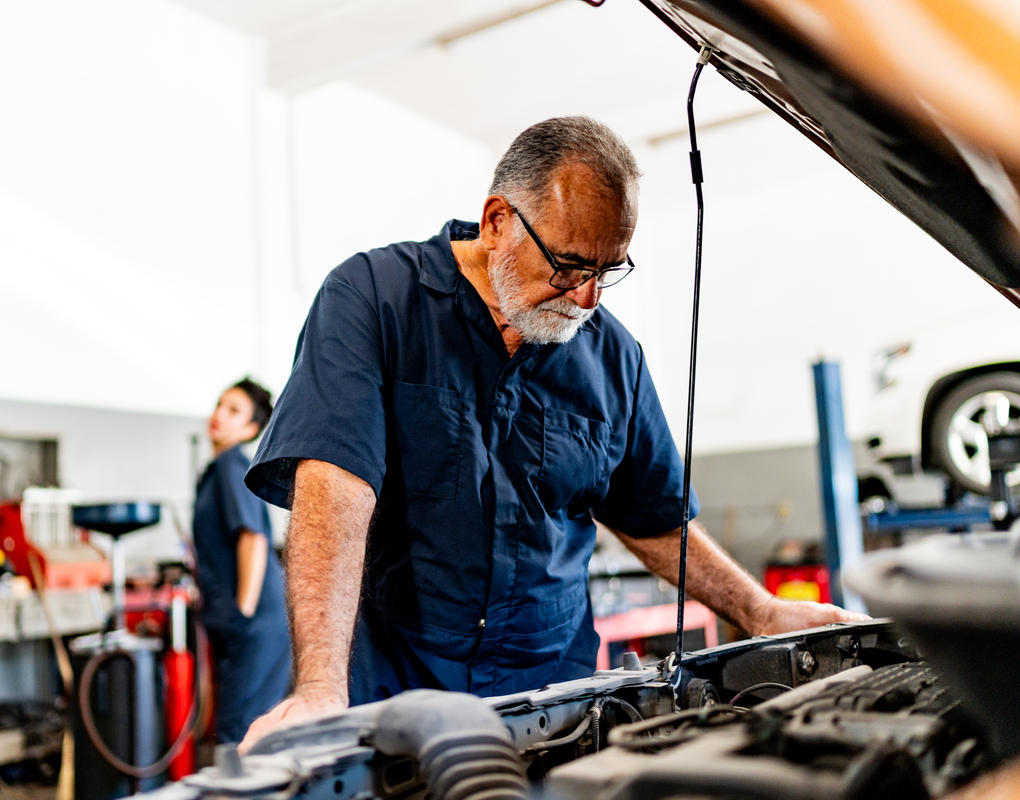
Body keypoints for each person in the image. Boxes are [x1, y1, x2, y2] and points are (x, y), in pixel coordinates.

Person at [241, 117, 865, 748]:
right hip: (395, 698)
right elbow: (333, 486)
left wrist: (759, 610)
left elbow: (653, 517)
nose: (589, 298)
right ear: (496, 222)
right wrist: (319, 689)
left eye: (609, 269)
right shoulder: (374, 297)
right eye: (569, 266)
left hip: (556, 710)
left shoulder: (613, 356)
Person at [193, 378, 290, 743]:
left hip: (255, 622)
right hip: (248, 623)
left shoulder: (231, 466)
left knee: (240, 733)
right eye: (220, 404)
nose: (219, 415)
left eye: (233, 411)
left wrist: (242, 613)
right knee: (241, 729)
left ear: (251, 429)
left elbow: (252, 537)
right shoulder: (220, 468)